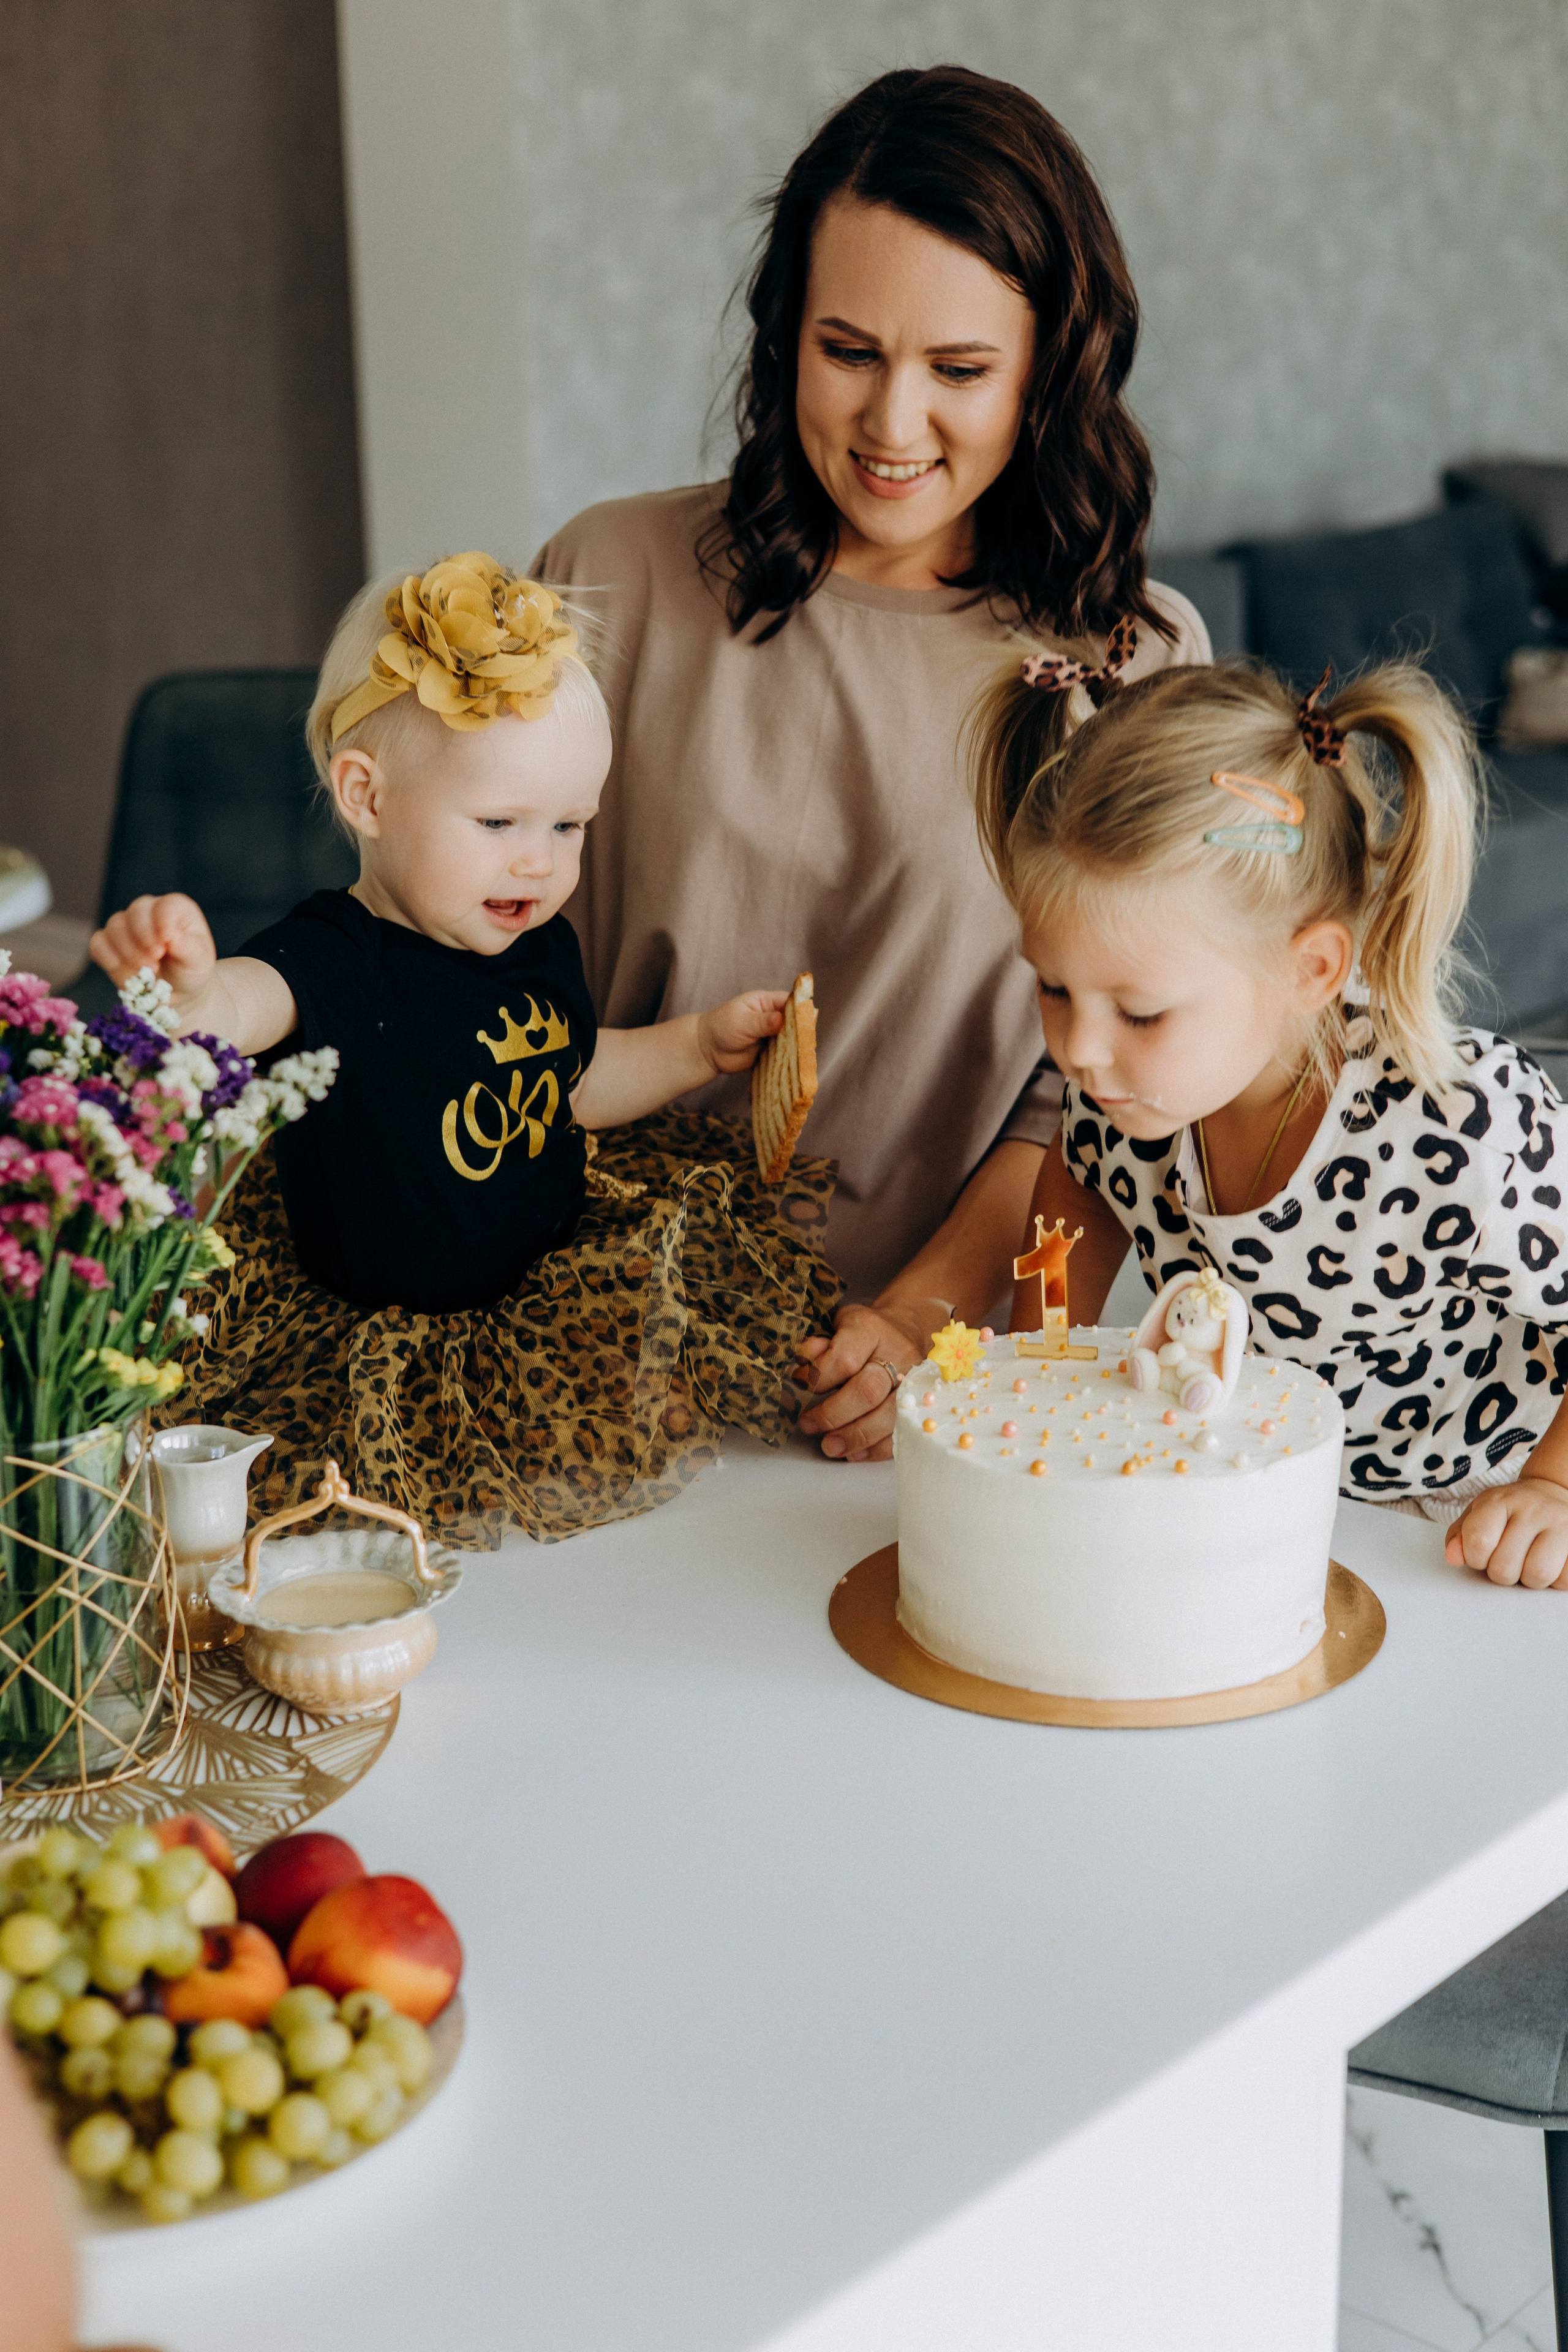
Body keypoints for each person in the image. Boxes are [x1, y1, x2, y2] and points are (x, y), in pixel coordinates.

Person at [533, 64, 1209, 1466]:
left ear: (1050, 364)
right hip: (578, 1352)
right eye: (848, 350)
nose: (892, 427)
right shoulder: (606, 580)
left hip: (940, 1388)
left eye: (958, 371)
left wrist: (919, 1314)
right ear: (786, 334)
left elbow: (1082, 1098)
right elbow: (466, 983)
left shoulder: (1133, 662)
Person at [89, 555, 839, 1545]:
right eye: (499, 823)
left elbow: (570, 1086)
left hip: (543, 1296)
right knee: (397, 1523)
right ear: (367, 796)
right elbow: (238, 1006)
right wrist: (188, 989)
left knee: (620, 1475)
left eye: (570, 824)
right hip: (381, 1332)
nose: (542, 860)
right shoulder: (330, 955)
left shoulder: (540, 944)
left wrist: (697, 1044)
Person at [970, 636, 1568, 1589]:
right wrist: (1044, 1353)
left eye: (1140, 1009)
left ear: (1310, 970)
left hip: (1471, 1514)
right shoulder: (1132, 1094)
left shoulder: (1461, 1130)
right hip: (1274, 1495)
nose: (1076, 1049)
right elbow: (1077, 1191)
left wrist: (1557, 1491)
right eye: (1053, 988)